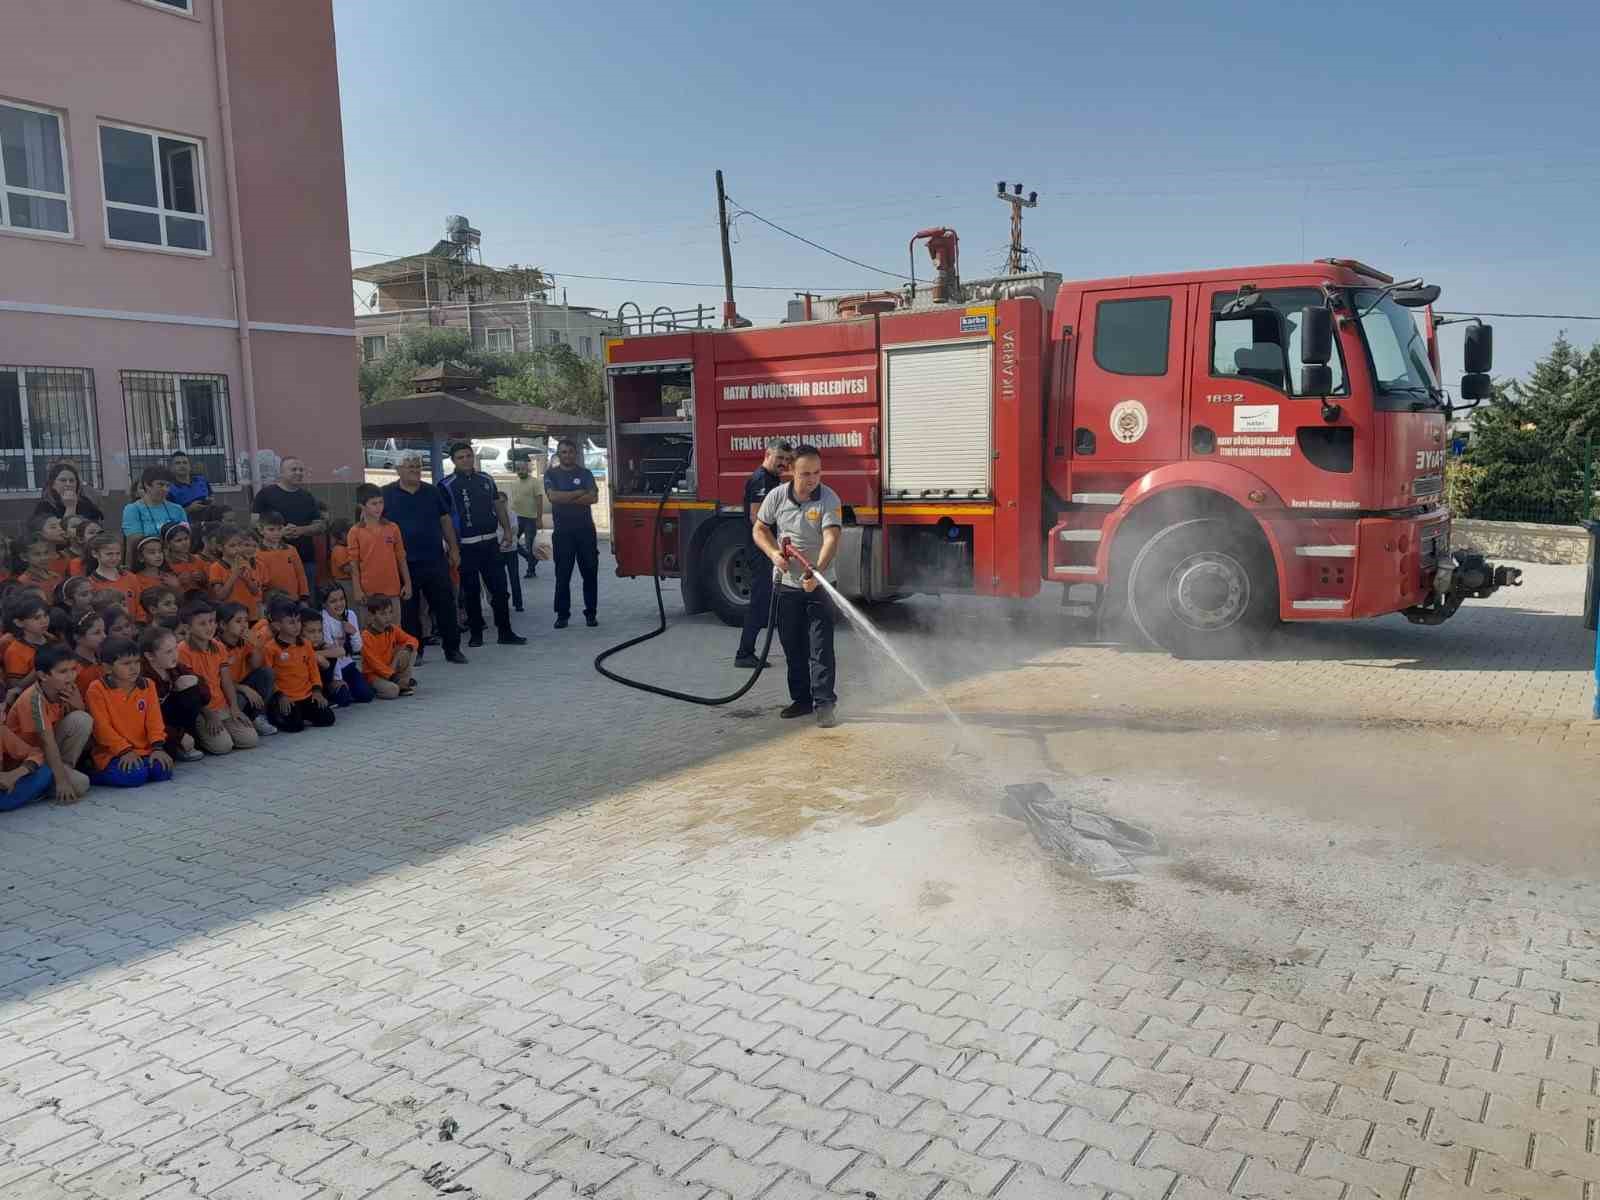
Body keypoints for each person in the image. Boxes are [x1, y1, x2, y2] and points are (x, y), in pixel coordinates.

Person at [752, 444, 843, 728]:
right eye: (805, 473)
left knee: (820, 646)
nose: (812, 479)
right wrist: (773, 553)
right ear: (791, 471)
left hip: (819, 583)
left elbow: (831, 539)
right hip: (787, 586)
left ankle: (825, 703)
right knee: (792, 645)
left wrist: (817, 571)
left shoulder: (828, 499)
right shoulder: (776, 497)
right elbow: (759, 528)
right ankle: (802, 700)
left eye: (817, 472)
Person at [438, 440, 525, 647]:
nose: (466, 460)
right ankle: (476, 634)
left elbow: (498, 505)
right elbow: (445, 519)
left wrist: (506, 531)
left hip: (491, 543)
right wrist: (453, 548)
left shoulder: (486, 479)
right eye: (461, 457)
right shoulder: (446, 485)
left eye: (469, 456)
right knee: (471, 591)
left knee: (500, 589)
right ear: (453, 461)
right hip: (466, 546)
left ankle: (505, 632)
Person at [381, 454, 465, 665]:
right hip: (404, 564)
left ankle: (452, 649)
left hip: (434, 560)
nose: (415, 470)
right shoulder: (386, 494)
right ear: (398, 470)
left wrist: (454, 549)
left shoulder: (432, 492)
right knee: (410, 610)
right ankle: (415, 651)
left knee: (445, 605)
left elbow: (445, 520)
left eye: (417, 467)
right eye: (410, 467)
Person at [2, 645, 94, 808]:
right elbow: (47, 742)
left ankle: (59, 772)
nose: (71, 676)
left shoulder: (68, 688)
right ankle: (52, 779)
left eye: (73, 669)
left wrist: (78, 704)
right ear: (43, 676)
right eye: (63, 671)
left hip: (45, 754)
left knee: (82, 719)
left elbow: (83, 725)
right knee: (81, 784)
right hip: (25, 759)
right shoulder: (33, 699)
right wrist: (62, 782)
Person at [85, 637, 174, 788]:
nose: (134, 668)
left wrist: (157, 748)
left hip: (144, 750)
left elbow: (154, 721)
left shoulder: (147, 685)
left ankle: (142, 766)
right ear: (107, 668)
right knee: (135, 777)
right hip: (112, 753)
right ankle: (94, 774)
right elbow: (102, 729)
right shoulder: (97, 689)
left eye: (136, 662)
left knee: (163, 771)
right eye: (126, 663)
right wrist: (124, 751)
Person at [735, 439, 793, 668]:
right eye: (780, 458)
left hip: (767, 550)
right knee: (761, 603)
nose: (784, 463)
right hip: (761, 551)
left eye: (787, 460)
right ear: (767, 454)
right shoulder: (761, 479)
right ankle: (744, 653)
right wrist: (773, 549)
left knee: (773, 603)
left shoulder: (773, 478)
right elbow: (756, 517)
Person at [176, 601, 259, 754]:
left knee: (250, 740)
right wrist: (209, 714)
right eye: (202, 624)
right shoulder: (182, 651)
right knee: (223, 747)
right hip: (202, 710)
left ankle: (223, 728)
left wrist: (234, 707)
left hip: (222, 706)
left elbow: (226, 680)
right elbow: (190, 694)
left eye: (211, 621)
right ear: (188, 628)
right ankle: (196, 737)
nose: (209, 627)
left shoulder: (218, 646)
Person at [544, 437, 600, 629]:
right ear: (559, 455)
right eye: (563, 452)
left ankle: (590, 613)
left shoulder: (585, 473)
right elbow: (553, 497)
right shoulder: (551, 474)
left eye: (570, 451)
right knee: (562, 575)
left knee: (590, 574)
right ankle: (562, 615)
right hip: (563, 533)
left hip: (585, 531)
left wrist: (565, 498)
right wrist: (579, 492)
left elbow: (593, 498)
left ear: (575, 453)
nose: (567, 455)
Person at [251, 456, 325, 596]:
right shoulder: (265, 494)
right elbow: (254, 523)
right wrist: (278, 533)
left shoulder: (307, 497)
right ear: (282, 473)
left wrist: (302, 530)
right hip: (272, 559)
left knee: (307, 600)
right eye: (293, 469)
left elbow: (320, 525)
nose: (298, 473)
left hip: (306, 559)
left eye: (301, 470)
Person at [261, 597, 335, 732]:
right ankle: (275, 714)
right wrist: (280, 696)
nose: (297, 626)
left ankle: (301, 715)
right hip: (286, 698)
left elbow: (313, 669)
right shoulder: (270, 648)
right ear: (277, 626)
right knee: (295, 727)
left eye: (298, 621)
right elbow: (269, 678)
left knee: (328, 719)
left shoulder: (305, 644)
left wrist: (317, 691)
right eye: (291, 622)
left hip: (307, 695)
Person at [139, 626, 206, 763]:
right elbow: (147, 719)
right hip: (156, 730)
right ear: (150, 656)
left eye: (176, 648)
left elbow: (206, 697)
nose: (175, 654)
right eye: (168, 651)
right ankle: (176, 744)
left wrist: (196, 682)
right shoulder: (143, 678)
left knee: (190, 689)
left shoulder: (176, 668)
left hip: (177, 723)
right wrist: (178, 736)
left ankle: (189, 741)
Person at [346, 483, 411, 613]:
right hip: (368, 593)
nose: (378, 507)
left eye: (381, 502)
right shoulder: (355, 531)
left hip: (392, 590)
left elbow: (401, 558)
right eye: (373, 503)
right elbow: (354, 564)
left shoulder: (392, 528)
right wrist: (357, 590)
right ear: (362, 506)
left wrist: (408, 584)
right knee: (370, 630)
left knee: (394, 629)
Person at [319, 583, 373, 706]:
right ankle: (329, 690)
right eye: (333, 601)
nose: (339, 604)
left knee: (366, 695)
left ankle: (352, 688)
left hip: (348, 665)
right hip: (332, 669)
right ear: (324, 604)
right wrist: (338, 679)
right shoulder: (323, 619)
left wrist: (353, 632)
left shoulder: (350, 615)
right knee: (344, 700)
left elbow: (357, 648)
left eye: (342, 599)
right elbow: (332, 654)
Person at [121, 467, 189, 557]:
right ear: (147, 485)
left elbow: (186, 537)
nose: (165, 489)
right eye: (160, 485)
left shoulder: (177, 509)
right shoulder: (133, 509)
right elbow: (134, 542)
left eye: (168, 486)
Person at [360, 594, 418, 699]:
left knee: (411, 650)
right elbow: (374, 664)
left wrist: (407, 648)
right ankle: (392, 685)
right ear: (372, 616)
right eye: (383, 614)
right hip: (374, 675)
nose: (388, 617)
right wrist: (393, 677)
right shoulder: (366, 636)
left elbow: (412, 640)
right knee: (392, 691)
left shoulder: (392, 628)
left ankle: (402, 682)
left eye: (390, 612)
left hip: (390, 668)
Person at [208, 528, 263, 618]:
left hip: (250, 613)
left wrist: (247, 580)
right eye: (232, 545)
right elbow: (220, 596)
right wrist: (234, 575)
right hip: (231, 616)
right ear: (220, 548)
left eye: (239, 544)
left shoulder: (245, 562)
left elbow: (255, 592)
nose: (237, 548)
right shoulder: (216, 567)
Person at [254, 512, 310, 601]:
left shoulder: (291, 549)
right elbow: (258, 581)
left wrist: (304, 596)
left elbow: (300, 574)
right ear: (261, 530)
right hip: (271, 601)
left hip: (293, 598)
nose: (276, 533)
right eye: (271, 530)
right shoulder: (256, 553)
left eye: (279, 529)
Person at [507, 451, 546, 579]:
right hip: (517, 518)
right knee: (513, 541)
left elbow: (539, 501)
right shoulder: (514, 483)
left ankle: (531, 570)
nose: (520, 471)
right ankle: (530, 559)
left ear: (527, 469)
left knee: (530, 545)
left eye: (523, 469)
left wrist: (539, 519)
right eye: (518, 469)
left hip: (531, 518)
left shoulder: (534, 482)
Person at [35, 462, 104, 523]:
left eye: (72, 481)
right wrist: (70, 507)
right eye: (63, 480)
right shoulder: (45, 507)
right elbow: (59, 534)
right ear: (53, 484)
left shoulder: (85, 503)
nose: (68, 484)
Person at [167, 451, 224, 525]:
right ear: (171, 468)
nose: (182, 466)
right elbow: (170, 514)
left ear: (189, 466)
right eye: (178, 463)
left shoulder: (201, 480)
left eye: (185, 463)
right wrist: (190, 508)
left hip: (210, 523)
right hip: (187, 527)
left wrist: (210, 501)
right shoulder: (169, 488)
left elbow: (211, 496)